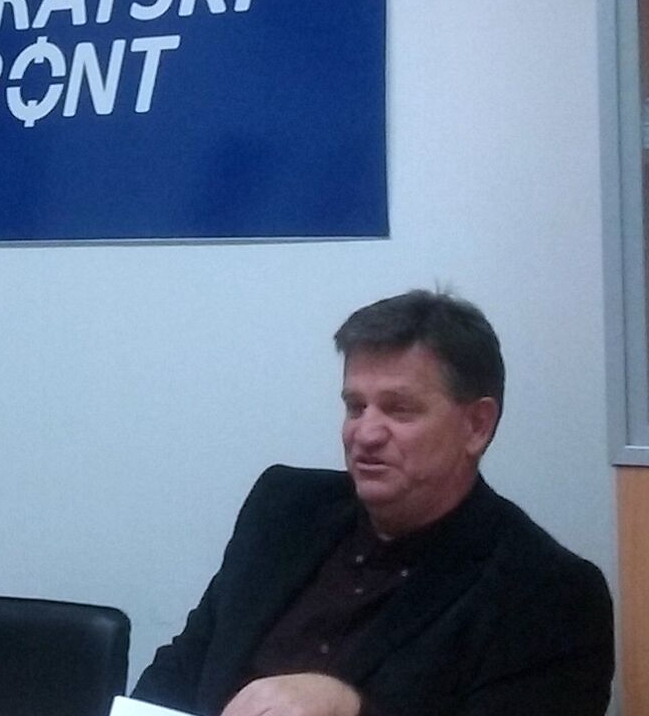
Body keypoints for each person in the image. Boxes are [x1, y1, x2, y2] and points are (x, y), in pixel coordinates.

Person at [132, 290, 614, 716]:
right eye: (355, 406)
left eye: (399, 409)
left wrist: (353, 708)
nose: (364, 434)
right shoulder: (284, 509)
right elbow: (178, 674)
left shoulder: (545, 593)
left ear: (477, 426)